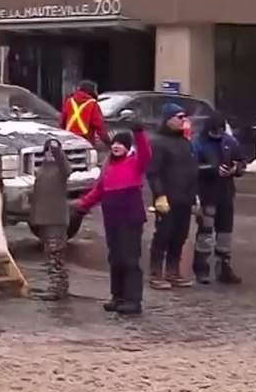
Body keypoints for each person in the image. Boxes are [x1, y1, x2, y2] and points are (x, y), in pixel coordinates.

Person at [73, 109, 150, 314]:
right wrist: (81, 205)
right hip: (112, 220)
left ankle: (133, 300)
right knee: (115, 258)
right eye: (115, 143)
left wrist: (137, 129)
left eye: (121, 144)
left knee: (130, 259)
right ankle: (118, 296)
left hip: (130, 219)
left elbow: (145, 151)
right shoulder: (108, 167)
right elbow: (98, 190)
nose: (116, 146)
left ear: (127, 148)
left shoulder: (134, 164)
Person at [146, 103, 198, 289]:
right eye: (179, 117)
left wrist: (194, 195)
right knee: (163, 234)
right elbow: (153, 172)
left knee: (180, 235)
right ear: (168, 120)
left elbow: (192, 170)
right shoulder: (158, 142)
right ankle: (156, 273)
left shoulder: (185, 143)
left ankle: (173, 271)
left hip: (185, 197)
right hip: (167, 198)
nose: (184, 120)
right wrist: (159, 195)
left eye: (184, 117)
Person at [191, 113, 244, 285]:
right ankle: (201, 268)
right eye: (215, 131)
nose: (218, 134)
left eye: (221, 130)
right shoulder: (198, 144)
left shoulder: (229, 142)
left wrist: (235, 168)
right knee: (205, 233)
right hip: (207, 194)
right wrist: (213, 170)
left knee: (225, 234)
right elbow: (192, 169)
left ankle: (223, 268)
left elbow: (242, 162)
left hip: (226, 194)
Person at [29, 138, 71, 301]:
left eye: (52, 151)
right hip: (43, 218)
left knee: (56, 252)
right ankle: (59, 285)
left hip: (56, 218)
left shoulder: (61, 169)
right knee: (50, 253)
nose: (49, 154)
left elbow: (66, 167)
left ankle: (57, 287)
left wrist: (56, 150)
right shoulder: (42, 170)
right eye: (46, 150)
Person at [61, 80, 110, 147]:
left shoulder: (69, 101)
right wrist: (107, 142)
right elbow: (99, 125)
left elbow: (62, 121)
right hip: (86, 140)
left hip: (69, 139)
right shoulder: (92, 104)